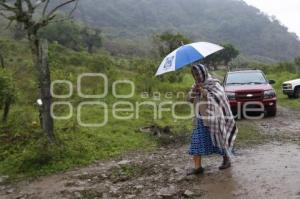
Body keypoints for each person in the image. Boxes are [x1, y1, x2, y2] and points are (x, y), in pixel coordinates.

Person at [187, 64, 238, 175]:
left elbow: (219, 97)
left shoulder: (214, 83)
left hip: (215, 118)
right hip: (200, 118)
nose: (196, 76)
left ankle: (226, 159)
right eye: (194, 74)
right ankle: (198, 167)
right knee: (197, 140)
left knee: (220, 138)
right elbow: (189, 99)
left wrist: (204, 92)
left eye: (197, 74)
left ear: (203, 73)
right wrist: (194, 92)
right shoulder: (194, 85)